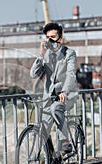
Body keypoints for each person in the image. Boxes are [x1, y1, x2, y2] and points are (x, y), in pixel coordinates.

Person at [30, 22, 79, 155]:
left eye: (53, 36)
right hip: (48, 96)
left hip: (66, 95)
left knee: (56, 108)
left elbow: (71, 74)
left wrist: (65, 91)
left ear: (60, 37)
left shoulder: (69, 53)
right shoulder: (45, 55)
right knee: (43, 128)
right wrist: (41, 55)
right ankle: (49, 160)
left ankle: (64, 142)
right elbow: (33, 74)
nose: (50, 40)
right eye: (48, 37)